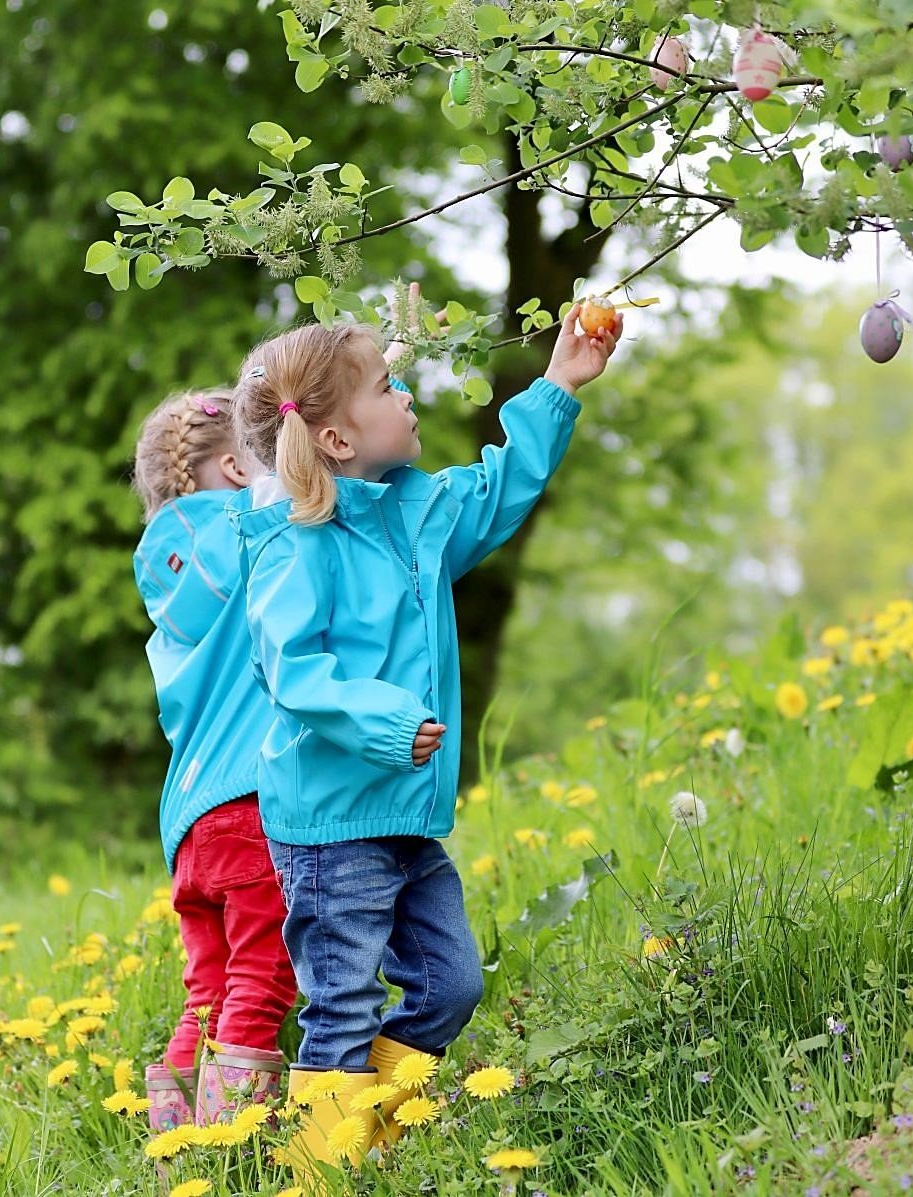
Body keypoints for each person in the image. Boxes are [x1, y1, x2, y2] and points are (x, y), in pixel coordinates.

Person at [227, 302, 619, 1176]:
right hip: (331, 827)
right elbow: (296, 673)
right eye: (386, 387)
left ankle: (373, 1136)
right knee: (343, 1006)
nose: (408, 396)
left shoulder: (419, 512)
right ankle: (318, 1176)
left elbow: (499, 487)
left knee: (451, 985)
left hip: (403, 817)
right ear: (334, 437)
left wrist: (558, 384)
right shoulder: (295, 545)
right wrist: (391, 722)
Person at [132, 388, 297, 1129]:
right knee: (264, 975)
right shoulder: (250, 528)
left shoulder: (162, 570)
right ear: (234, 465)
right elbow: (306, 503)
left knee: (211, 988)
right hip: (250, 800)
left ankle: (172, 1134)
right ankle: (232, 1142)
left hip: (189, 819)